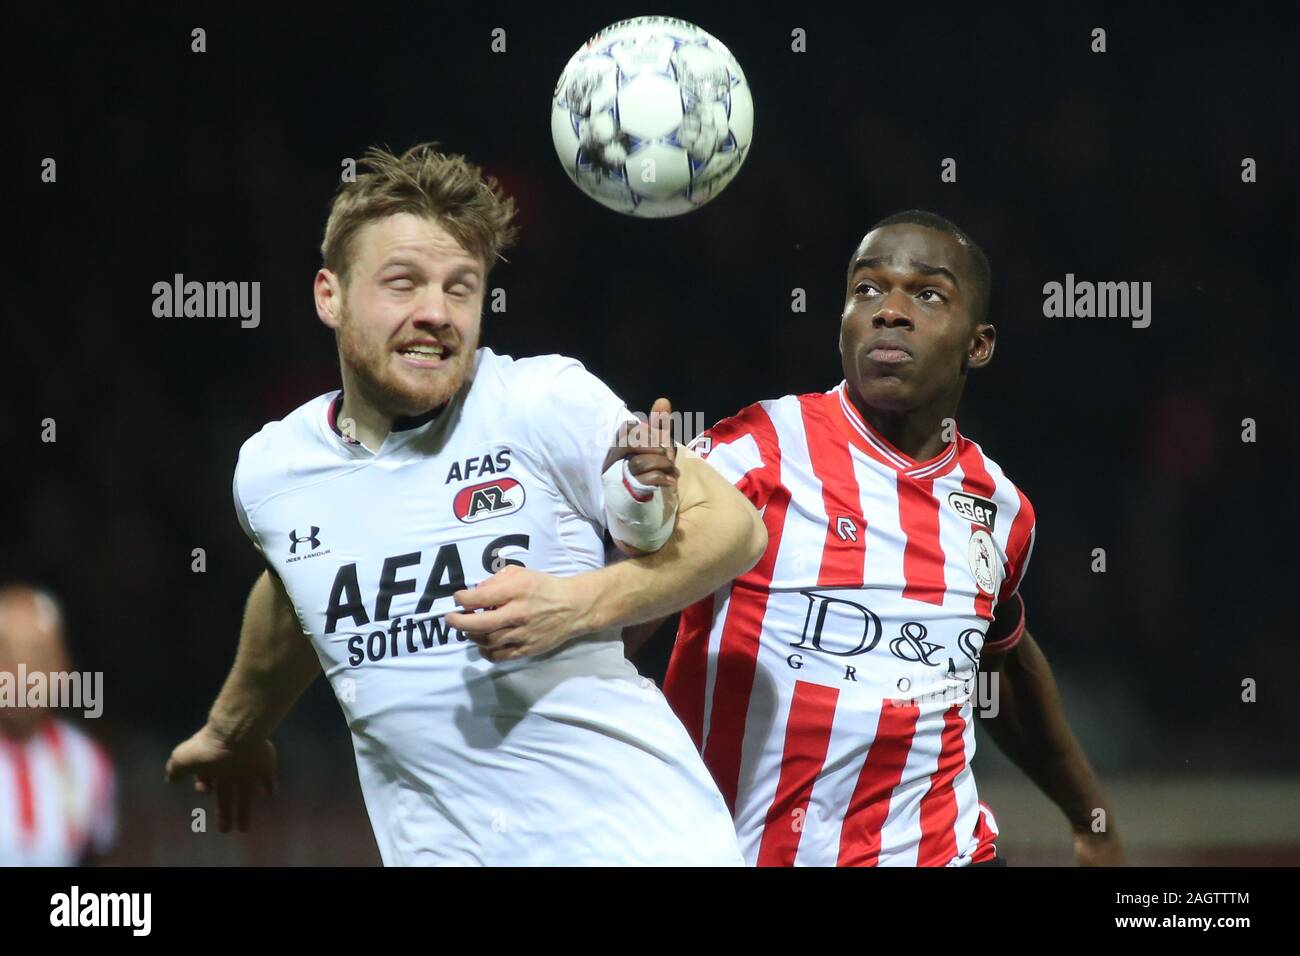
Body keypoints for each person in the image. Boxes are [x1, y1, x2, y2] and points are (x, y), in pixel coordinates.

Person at [165, 143, 767, 866]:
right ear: (330, 295)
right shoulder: (271, 472)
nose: (435, 314)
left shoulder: (542, 401)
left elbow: (734, 529)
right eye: (403, 284)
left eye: (461, 288)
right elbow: (296, 585)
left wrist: (579, 604)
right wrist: (235, 728)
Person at [633, 210, 1124, 866]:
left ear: (978, 344)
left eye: (927, 294)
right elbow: (618, 615)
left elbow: (1000, 659)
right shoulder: (752, 454)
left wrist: (1090, 819)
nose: (889, 310)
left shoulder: (999, 509)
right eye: (867, 290)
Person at [0, 585, 115, 865]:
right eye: (7, 655)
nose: (22, 672)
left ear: (62, 670)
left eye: (37, 657)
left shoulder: (87, 762)